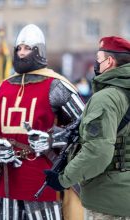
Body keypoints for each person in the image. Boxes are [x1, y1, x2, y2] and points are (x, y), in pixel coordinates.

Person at [0, 24, 84, 219]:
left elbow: (86, 125)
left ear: (39, 51)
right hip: (6, 176)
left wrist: (52, 139)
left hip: (42, 176)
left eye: (27, 48)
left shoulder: (57, 85)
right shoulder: (4, 87)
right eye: (19, 48)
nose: (21, 53)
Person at [44, 36, 130, 220]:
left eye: (98, 60)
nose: (96, 65)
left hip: (109, 202)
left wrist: (63, 179)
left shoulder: (106, 98)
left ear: (109, 61)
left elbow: (97, 152)